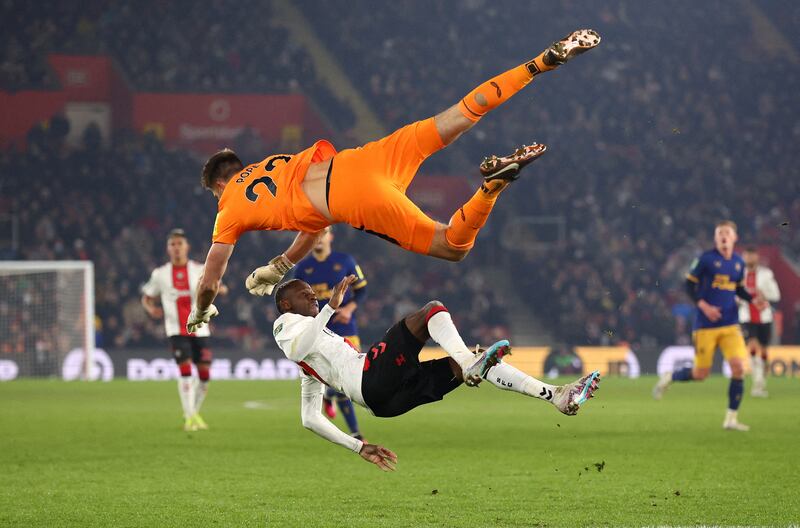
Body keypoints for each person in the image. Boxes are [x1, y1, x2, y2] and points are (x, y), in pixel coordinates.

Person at [186, 29, 602, 330]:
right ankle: (538, 64)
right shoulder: (274, 162)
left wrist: (201, 311)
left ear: (219, 186)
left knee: (451, 245)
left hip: (356, 196)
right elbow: (312, 225)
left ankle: (491, 186)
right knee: (460, 114)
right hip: (367, 157)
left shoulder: (229, 209)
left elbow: (209, 280)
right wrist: (281, 264)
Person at [263, 275, 600, 470]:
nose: (312, 294)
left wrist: (357, 447)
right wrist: (330, 309)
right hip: (369, 377)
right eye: (303, 292)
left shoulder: (312, 361)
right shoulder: (286, 326)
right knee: (431, 311)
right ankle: (470, 365)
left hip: (385, 402)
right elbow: (295, 348)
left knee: (473, 361)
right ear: (286, 304)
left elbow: (309, 418)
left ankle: (554, 395)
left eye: (312, 291)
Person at [653, 221, 764, 431]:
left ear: (734, 237)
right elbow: (688, 285)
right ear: (716, 238)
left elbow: (738, 289)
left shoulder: (739, 263)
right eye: (720, 233)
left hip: (731, 325)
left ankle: (731, 418)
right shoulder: (705, 259)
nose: (723, 237)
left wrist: (753, 300)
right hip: (706, 325)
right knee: (701, 374)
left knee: (739, 368)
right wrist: (704, 307)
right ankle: (670, 376)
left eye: (727, 233)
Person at [142, 229, 227, 431]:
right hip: (176, 330)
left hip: (201, 330)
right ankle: (190, 417)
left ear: (187, 247)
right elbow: (147, 296)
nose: (176, 248)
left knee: (205, 376)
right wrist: (150, 308)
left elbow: (217, 285)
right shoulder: (160, 274)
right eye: (173, 244)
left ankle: (193, 412)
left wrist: (220, 289)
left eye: (180, 244)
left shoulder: (199, 269)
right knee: (186, 370)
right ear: (168, 248)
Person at [294, 226, 367, 439]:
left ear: (331, 236)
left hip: (346, 328)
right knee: (340, 381)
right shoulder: (302, 268)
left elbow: (362, 290)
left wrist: (349, 309)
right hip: (319, 332)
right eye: (314, 233)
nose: (319, 238)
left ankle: (328, 395)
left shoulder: (345, 261)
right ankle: (356, 433)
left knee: (352, 376)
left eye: (323, 233)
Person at [738, 247, 781, 397]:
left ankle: (761, 382)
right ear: (744, 257)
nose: (749, 258)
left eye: (752, 255)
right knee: (752, 348)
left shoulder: (766, 274)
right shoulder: (738, 275)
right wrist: (738, 299)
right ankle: (756, 383)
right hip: (746, 317)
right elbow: (732, 294)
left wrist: (764, 295)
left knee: (763, 352)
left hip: (764, 317)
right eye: (747, 255)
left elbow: (776, 295)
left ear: (756, 257)